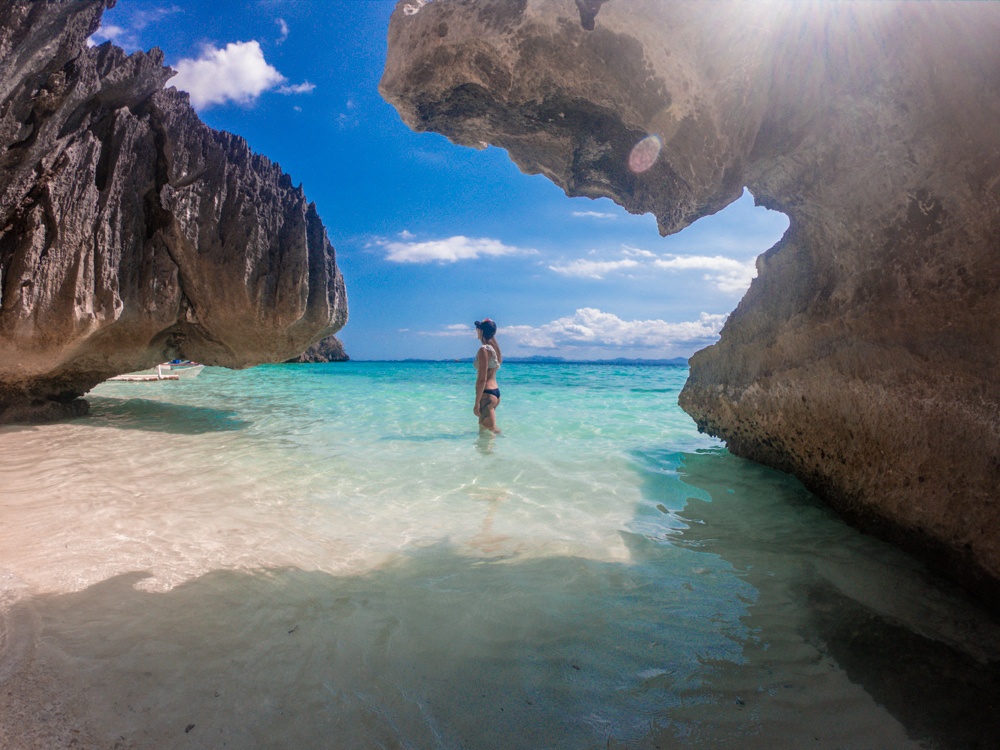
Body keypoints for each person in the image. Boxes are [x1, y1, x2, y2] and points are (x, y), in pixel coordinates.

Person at [473, 318, 502, 434]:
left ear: (481, 331)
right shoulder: (495, 349)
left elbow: (482, 379)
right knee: (489, 432)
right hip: (495, 392)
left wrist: (477, 402)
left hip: (487, 395)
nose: (476, 331)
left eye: (478, 329)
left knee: (488, 434)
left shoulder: (483, 350)